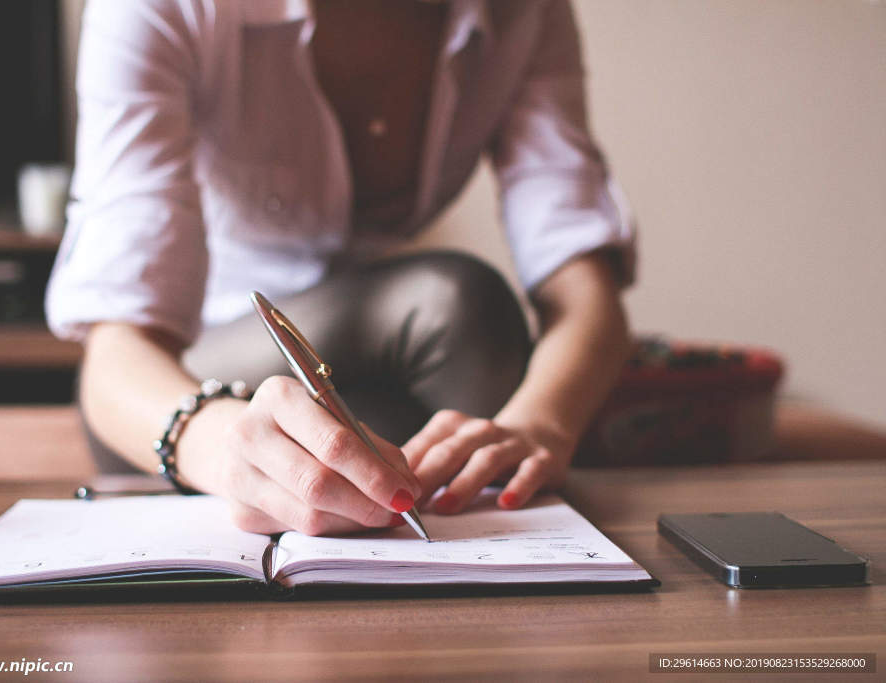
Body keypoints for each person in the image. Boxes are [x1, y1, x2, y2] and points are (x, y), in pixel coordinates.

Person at [46, 0, 636, 536]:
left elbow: (584, 292)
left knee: (439, 430)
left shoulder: (522, 14)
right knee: (456, 305)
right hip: (180, 408)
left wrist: (541, 428)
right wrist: (223, 445)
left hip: (378, 385)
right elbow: (115, 358)